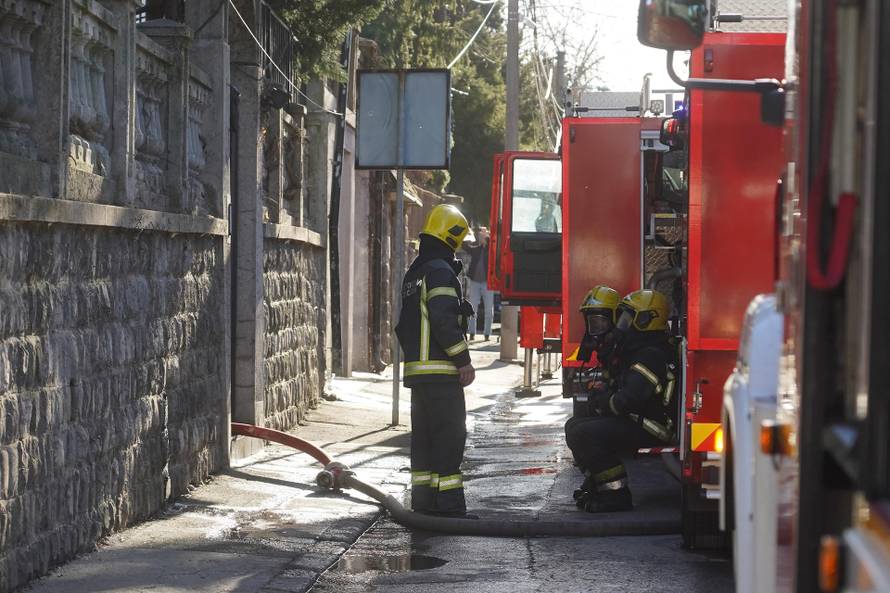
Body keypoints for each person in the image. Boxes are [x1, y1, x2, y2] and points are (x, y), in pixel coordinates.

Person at [395, 204, 477, 518]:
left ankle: (424, 503)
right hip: (442, 373)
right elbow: (443, 321)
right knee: (449, 438)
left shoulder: (415, 272)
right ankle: (451, 507)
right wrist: (464, 361)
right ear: (452, 236)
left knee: (424, 442)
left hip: (419, 374)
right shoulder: (440, 271)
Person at [565, 289, 678, 513]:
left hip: (652, 426)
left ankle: (615, 494)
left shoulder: (650, 354)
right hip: (640, 418)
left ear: (645, 320)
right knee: (574, 425)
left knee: (584, 433)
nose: (622, 325)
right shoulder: (640, 349)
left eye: (628, 318)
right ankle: (598, 483)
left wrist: (603, 401)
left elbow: (626, 401)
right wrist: (605, 393)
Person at [464, 227, 495, 341]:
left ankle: (487, 334)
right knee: (473, 308)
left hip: (487, 283)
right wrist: (469, 235)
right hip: (475, 282)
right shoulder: (476, 249)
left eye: (483, 235)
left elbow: (495, 248)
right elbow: (465, 246)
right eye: (480, 235)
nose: (481, 237)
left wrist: (487, 237)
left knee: (488, 309)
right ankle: (472, 332)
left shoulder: (491, 249)